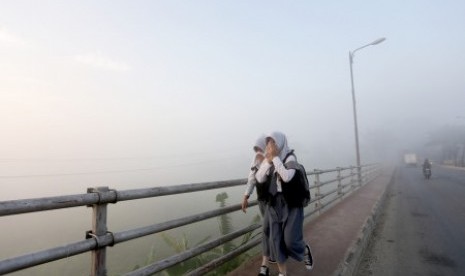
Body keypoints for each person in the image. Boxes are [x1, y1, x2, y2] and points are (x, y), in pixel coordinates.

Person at [255, 131, 313, 276]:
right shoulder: (270, 159)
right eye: (268, 142)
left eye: (273, 142)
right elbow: (260, 178)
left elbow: (287, 177)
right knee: (275, 239)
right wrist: (268, 161)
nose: (270, 145)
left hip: (291, 203)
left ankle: (304, 249)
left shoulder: (289, 157)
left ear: (280, 142)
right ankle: (283, 273)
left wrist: (274, 158)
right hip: (274, 203)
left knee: (290, 240)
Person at [241, 135, 275, 276]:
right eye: (255, 149)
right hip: (262, 201)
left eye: (260, 148)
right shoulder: (256, 160)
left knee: (267, 229)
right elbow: (251, 179)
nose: (258, 151)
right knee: (270, 228)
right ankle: (272, 254)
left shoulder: (273, 159)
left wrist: (267, 162)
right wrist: (246, 196)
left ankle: (264, 266)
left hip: (274, 201)